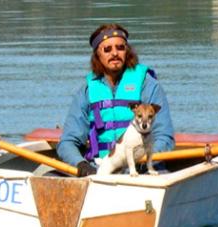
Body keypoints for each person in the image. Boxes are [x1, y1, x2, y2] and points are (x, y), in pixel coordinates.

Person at [57, 24, 175, 177]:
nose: (114, 53)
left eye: (120, 47)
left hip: (141, 169)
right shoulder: (86, 91)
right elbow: (67, 142)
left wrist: (141, 160)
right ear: (97, 55)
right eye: (107, 49)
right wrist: (81, 165)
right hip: (101, 168)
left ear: (127, 51)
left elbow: (164, 136)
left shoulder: (148, 85)